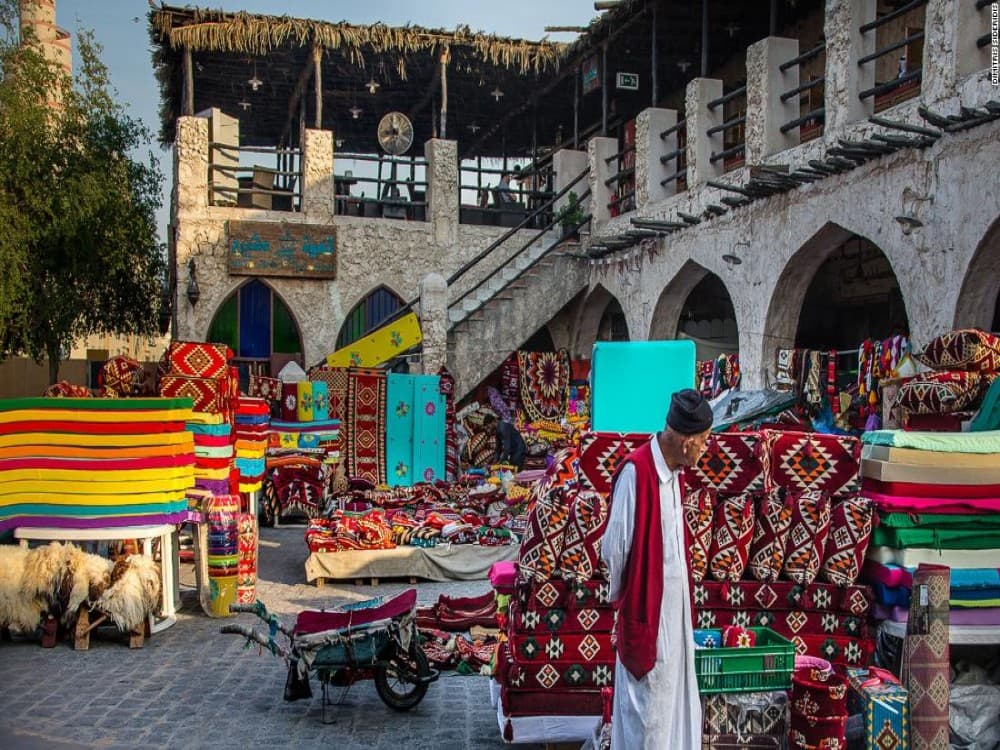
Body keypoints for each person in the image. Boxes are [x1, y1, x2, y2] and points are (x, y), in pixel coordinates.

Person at [600, 388, 713, 749]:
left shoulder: (675, 476)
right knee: (647, 717)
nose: (706, 449)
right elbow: (614, 550)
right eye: (705, 442)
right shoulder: (637, 473)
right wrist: (627, 602)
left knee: (672, 708)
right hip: (648, 618)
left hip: (674, 620)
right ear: (687, 441)